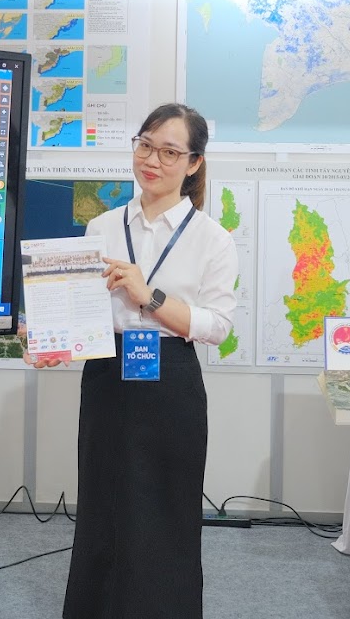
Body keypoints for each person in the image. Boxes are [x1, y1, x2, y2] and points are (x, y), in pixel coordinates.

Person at [25, 102, 237, 619]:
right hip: (108, 376)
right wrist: (54, 339)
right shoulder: (101, 225)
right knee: (103, 506)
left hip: (172, 380)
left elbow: (217, 326)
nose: (152, 160)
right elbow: (84, 311)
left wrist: (151, 297)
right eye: (145, 145)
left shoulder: (212, 238)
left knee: (167, 509)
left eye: (169, 152)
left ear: (193, 163)